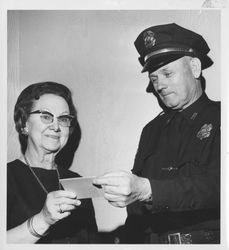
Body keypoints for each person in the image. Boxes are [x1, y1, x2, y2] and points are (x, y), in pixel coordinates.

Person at [93, 23, 220, 244]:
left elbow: (218, 186)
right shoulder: (151, 130)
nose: (160, 85)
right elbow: (136, 210)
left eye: (167, 73)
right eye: (154, 79)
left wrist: (147, 189)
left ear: (195, 67)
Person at [7, 81, 98, 243]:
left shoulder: (77, 180)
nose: (56, 126)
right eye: (46, 117)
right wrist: (43, 220)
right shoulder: (6, 176)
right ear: (24, 124)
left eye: (63, 119)